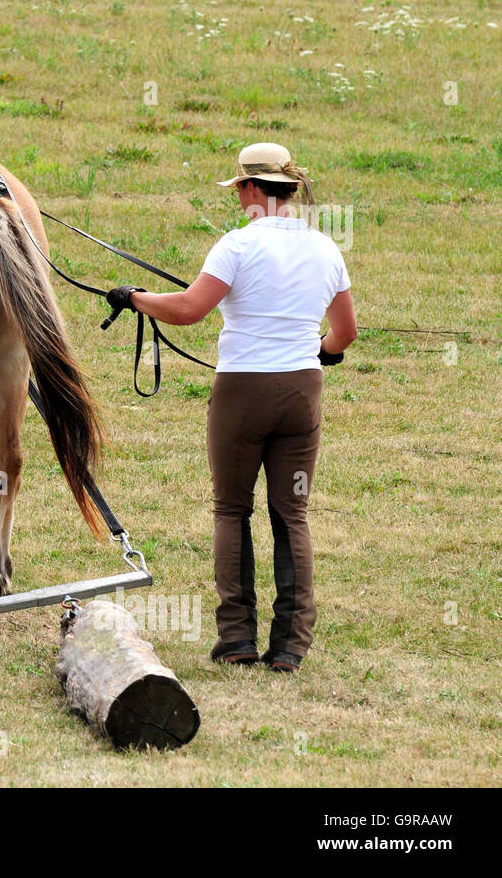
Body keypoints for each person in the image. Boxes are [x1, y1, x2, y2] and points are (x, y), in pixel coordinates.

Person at [106, 143, 357, 673]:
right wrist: (322, 353)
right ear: (287, 190)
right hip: (301, 393)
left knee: (231, 509)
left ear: (248, 188)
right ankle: (290, 645)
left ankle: (237, 638)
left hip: (242, 393)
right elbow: (345, 332)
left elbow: (189, 309)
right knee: (292, 513)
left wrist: (135, 298)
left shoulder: (236, 247)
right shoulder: (325, 248)